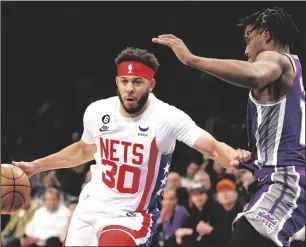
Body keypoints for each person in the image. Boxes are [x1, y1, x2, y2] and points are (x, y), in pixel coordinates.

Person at [12, 47, 251, 246]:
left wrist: (232, 154)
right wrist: (36, 166)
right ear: (117, 82)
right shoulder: (98, 111)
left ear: (151, 84)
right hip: (92, 203)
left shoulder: (167, 118)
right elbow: (83, 150)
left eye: (137, 82)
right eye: (124, 81)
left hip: (131, 215)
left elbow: (211, 147)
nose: (129, 88)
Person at [152, 7, 305, 247]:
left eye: (248, 38)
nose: (246, 50)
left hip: (284, 179)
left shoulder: (275, 59)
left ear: (265, 35)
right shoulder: (296, 76)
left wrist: (192, 60)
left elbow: (255, 75)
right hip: (279, 177)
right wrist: (254, 159)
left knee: (248, 236)